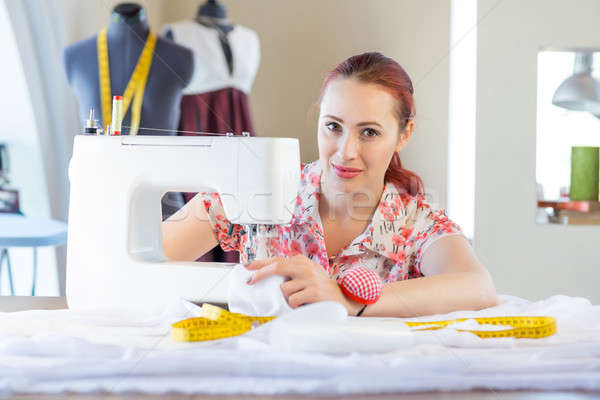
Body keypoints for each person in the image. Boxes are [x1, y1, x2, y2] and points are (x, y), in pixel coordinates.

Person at [162, 52, 498, 317]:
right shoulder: (260, 192)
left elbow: (478, 287)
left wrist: (350, 300)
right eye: (333, 126)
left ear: (404, 134)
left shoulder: (415, 224)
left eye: (369, 132)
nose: (345, 152)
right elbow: (135, 269)